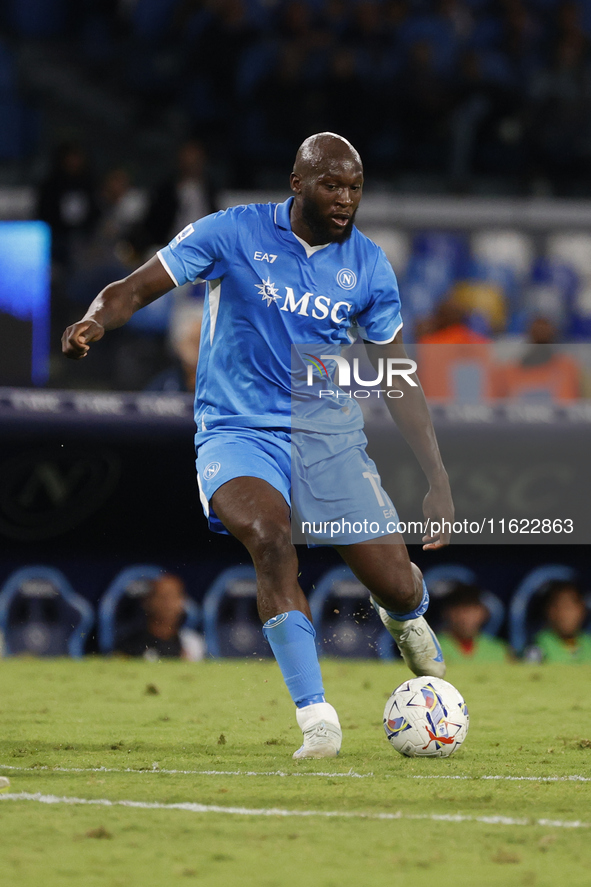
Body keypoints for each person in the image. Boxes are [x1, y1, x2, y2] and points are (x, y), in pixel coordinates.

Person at [62, 132, 454, 759]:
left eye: (354, 187)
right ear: (298, 184)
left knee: (398, 583)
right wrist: (94, 320)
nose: (346, 199)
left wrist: (436, 477)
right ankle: (317, 717)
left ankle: (404, 614)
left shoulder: (370, 266)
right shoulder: (231, 233)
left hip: (328, 436)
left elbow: (397, 376)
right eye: (332, 185)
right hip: (237, 431)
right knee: (271, 539)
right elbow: (135, 287)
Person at [117, 573, 205, 662]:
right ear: (148, 602)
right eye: (164, 597)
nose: (169, 605)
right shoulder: (130, 644)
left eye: (176, 597)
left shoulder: (192, 643)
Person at [437, 583, 507, 664]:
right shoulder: (430, 649)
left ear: (483, 613)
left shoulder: (499, 651)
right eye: (459, 610)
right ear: (447, 613)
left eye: (471, 610)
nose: (465, 617)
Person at [526, 581, 591, 664]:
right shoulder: (538, 644)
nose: (566, 614)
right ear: (550, 611)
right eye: (560, 607)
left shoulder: (588, 643)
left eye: (570, 607)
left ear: (582, 610)